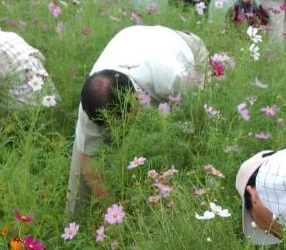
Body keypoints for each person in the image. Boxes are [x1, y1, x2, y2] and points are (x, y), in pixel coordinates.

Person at [66, 26, 209, 212]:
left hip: (185, 49)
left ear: (136, 99)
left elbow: (192, 130)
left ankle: (179, 210)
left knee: (182, 147)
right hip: (130, 42)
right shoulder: (94, 98)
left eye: (122, 124)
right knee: (80, 170)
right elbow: (89, 161)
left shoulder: (175, 78)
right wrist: (113, 211)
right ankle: (75, 225)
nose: (119, 133)